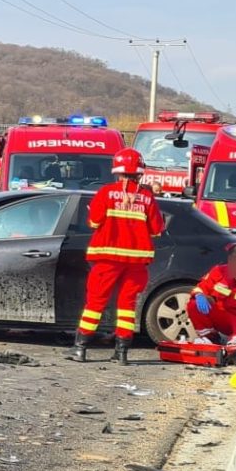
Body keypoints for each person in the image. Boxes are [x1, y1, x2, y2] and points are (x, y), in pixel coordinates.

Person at [69, 148, 165, 365]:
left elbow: (94, 221)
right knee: (127, 306)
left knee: (96, 302)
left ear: (117, 170)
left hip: (107, 259)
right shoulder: (147, 197)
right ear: (140, 172)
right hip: (136, 262)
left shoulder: (106, 192)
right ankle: (122, 353)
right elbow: (156, 230)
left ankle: (80, 348)